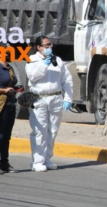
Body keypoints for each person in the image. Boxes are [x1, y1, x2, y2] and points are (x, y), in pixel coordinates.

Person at [25, 36, 73, 172]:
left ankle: (47, 158)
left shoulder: (57, 60)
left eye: (50, 45)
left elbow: (67, 80)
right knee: (40, 130)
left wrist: (68, 98)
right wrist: (44, 65)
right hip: (39, 99)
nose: (49, 47)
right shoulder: (32, 60)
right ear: (38, 47)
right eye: (46, 45)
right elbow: (33, 77)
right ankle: (37, 161)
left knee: (52, 130)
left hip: (55, 98)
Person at [0, 51, 19, 174]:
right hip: (1, 105)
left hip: (10, 105)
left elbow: (12, 83)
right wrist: (4, 90)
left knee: (6, 136)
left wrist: (16, 90)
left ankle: (4, 163)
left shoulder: (9, 67)